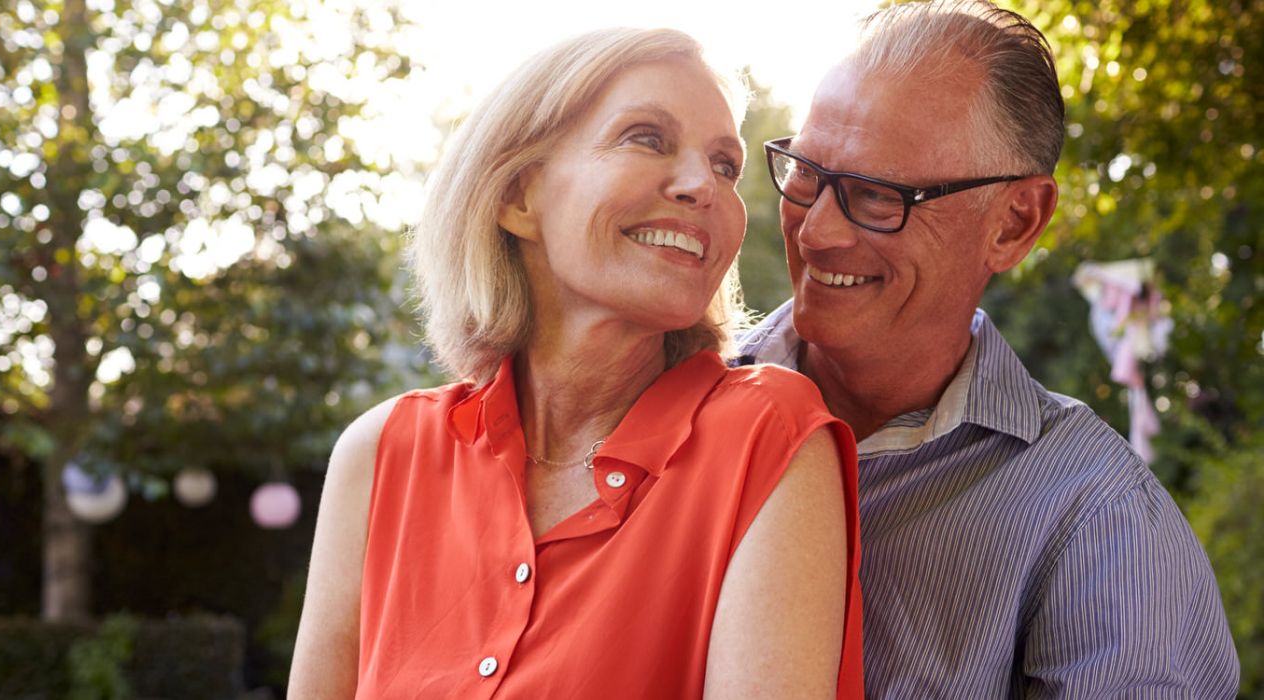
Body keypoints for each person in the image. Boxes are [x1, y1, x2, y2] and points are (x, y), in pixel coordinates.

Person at [288, 28, 863, 699]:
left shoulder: (771, 436)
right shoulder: (380, 454)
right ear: (518, 198)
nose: (701, 185)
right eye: (647, 137)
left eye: (725, 165)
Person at [740, 1, 1239, 696]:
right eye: (804, 172)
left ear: (1014, 223)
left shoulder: (1095, 523)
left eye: (877, 195)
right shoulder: (667, 401)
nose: (816, 232)